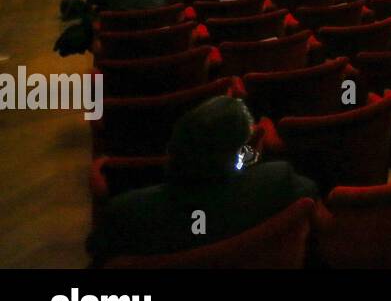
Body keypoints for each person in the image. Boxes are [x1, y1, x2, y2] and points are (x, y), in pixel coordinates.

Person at [87, 96, 318, 266]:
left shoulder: (128, 213)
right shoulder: (280, 182)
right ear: (240, 153)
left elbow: (97, 251)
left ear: (173, 152)